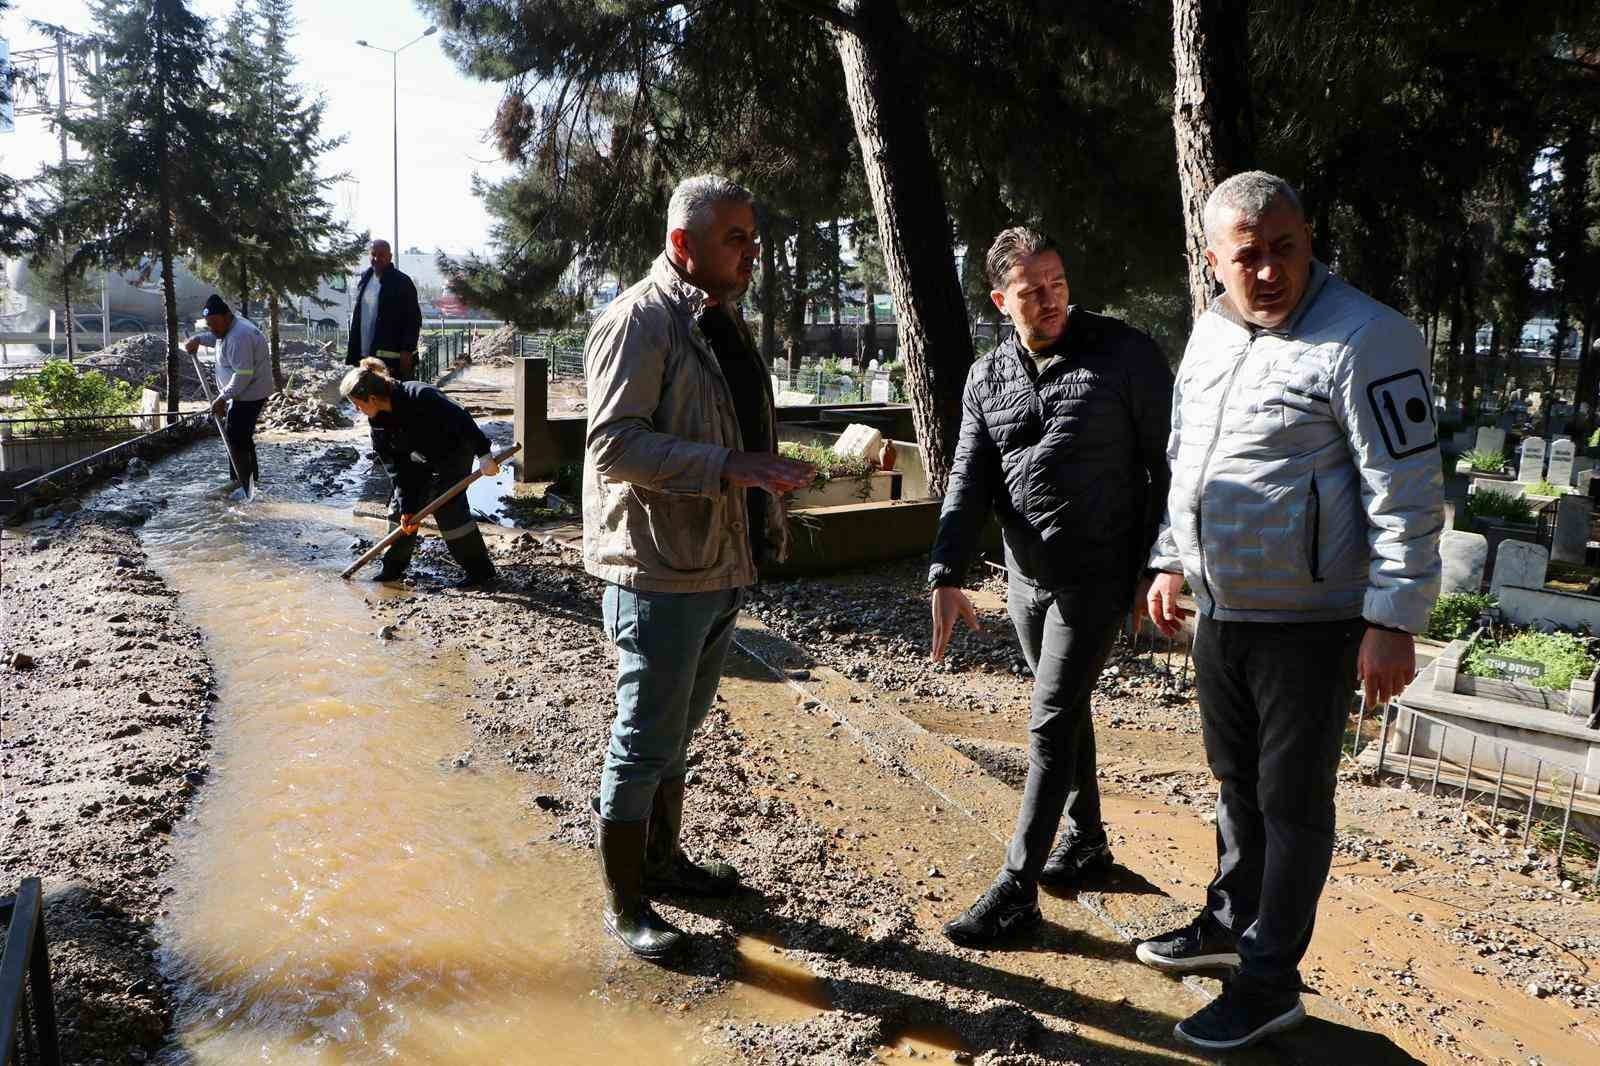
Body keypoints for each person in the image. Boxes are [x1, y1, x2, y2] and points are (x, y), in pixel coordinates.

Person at [1142, 171, 1443, 1051]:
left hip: (1313, 622)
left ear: (1310, 238)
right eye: (1247, 256)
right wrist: (1169, 558)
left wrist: (1393, 618)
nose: (1268, 271)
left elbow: (1408, 488)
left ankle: (1270, 980)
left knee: (1292, 802)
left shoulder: (1367, 338)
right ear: (1213, 261)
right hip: (1225, 611)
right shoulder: (1208, 332)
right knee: (1235, 783)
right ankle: (1233, 923)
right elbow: (1184, 458)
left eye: (1286, 249)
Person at [582, 174, 815, 960]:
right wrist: (730, 464)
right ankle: (625, 904)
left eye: (753, 236)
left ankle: (664, 862)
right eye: (736, 238)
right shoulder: (638, 322)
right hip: (658, 569)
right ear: (683, 245)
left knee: (678, 735)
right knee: (644, 739)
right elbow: (614, 446)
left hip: (719, 560)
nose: (752, 251)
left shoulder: (719, 317)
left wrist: (762, 481)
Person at [928, 227, 1174, 948]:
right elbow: (968, 481)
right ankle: (1089, 840)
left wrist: (1159, 564)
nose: (1051, 297)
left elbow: (1169, 467)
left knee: (1048, 720)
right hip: (1026, 577)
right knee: (1065, 714)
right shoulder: (986, 377)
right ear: (1002, 299)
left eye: (1058, 280)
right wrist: (946, 572)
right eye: (1032, 289)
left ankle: (1016, 892)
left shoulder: (1124, 354)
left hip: (1099, 573)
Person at [339, 358, 499, 588]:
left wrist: (484, 454)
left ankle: (480, 570)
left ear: (372, 399)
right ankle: (392, 568)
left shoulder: (420, 396)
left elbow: (462, 419)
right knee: (400, 511)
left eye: (357, 404)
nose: (357, 409)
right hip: (418, 458)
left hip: (453, 452)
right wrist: (407, 507)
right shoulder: (378, 422)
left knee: (447, 506)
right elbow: (396, 468)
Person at [185, 293, 274, 490]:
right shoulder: (228, 329)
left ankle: (242, 486)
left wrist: (223, 398)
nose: (212, 328)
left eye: (215, 323)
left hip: (248, 394)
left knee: (235, 438)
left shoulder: (239, 337)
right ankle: (250, 482)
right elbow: (217, 338)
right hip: (244, 392)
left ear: (227, 316)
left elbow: (243, 375)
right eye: (208, 324)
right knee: (242, 438)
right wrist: (198, 339)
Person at [345, 240, 422, 381]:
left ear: (390, 256)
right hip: (365, 358)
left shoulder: (402, 282)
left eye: (381, 255)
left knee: (394, 400)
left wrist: (407, 350)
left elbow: (413, 319)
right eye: (373, 254)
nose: (376, 259)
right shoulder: (365, 280)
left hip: (392, 361)